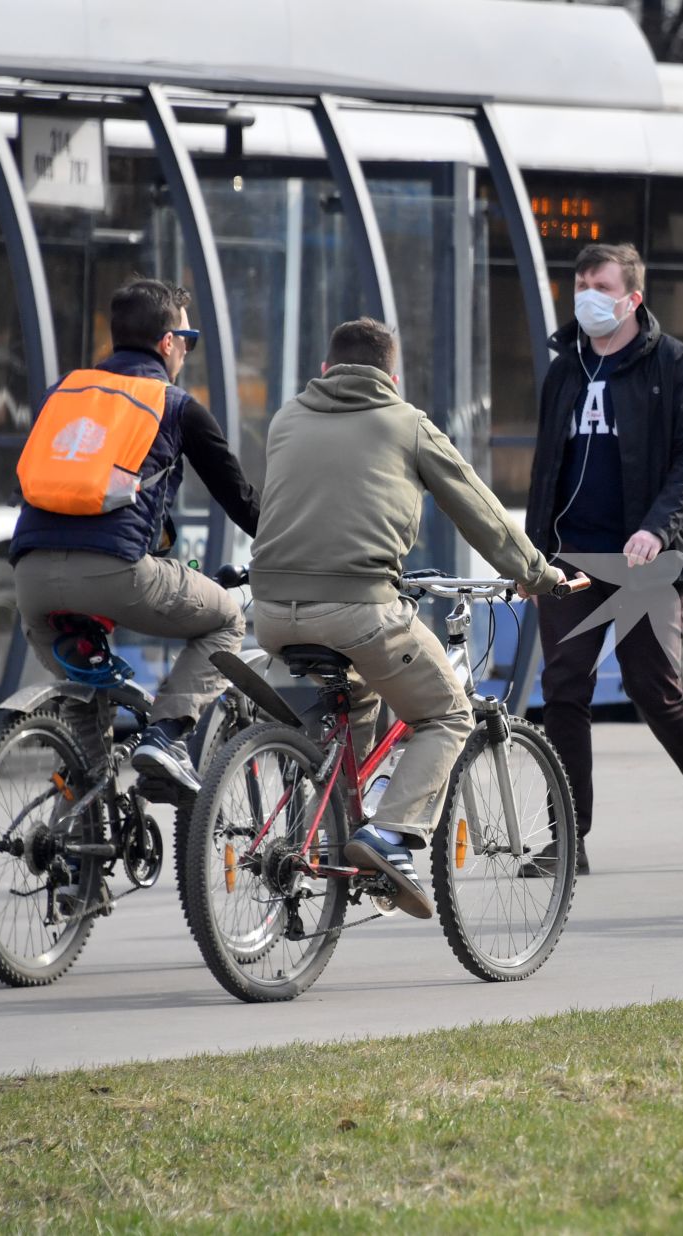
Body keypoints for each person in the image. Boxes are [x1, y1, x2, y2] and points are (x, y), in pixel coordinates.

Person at [249, 319, 579, 919]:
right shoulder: (406, 422)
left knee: (364, 695)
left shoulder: (285, 418)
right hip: (358, 609)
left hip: (270, 612)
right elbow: (477, 507)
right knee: (448, 711)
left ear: (325, 371)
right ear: (390, 378)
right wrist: (537, 572)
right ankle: (392, 835)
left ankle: (338, 831)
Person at [522, 243, 683, 875]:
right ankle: (570, 838)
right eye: (581, 283)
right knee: (563, 689)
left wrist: (656, 529)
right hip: (570, 561)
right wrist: (532, 556)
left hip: (645, 558)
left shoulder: (673, 366)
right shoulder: (565, 369)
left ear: (632, 298)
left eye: (600, 284)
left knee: (654, 689)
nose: (586, 295)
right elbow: (545, 470)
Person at [10, 277, 259, 793]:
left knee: (87, 732)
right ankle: (166, 735)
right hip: (114, 573)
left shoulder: (63, 393)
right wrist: (289, 547)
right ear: (168, 342)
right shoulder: (174, 404)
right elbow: (238, 499)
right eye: (186, 341)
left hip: (29, 577)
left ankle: (79, 847)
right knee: (227, 618)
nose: (186, 353)